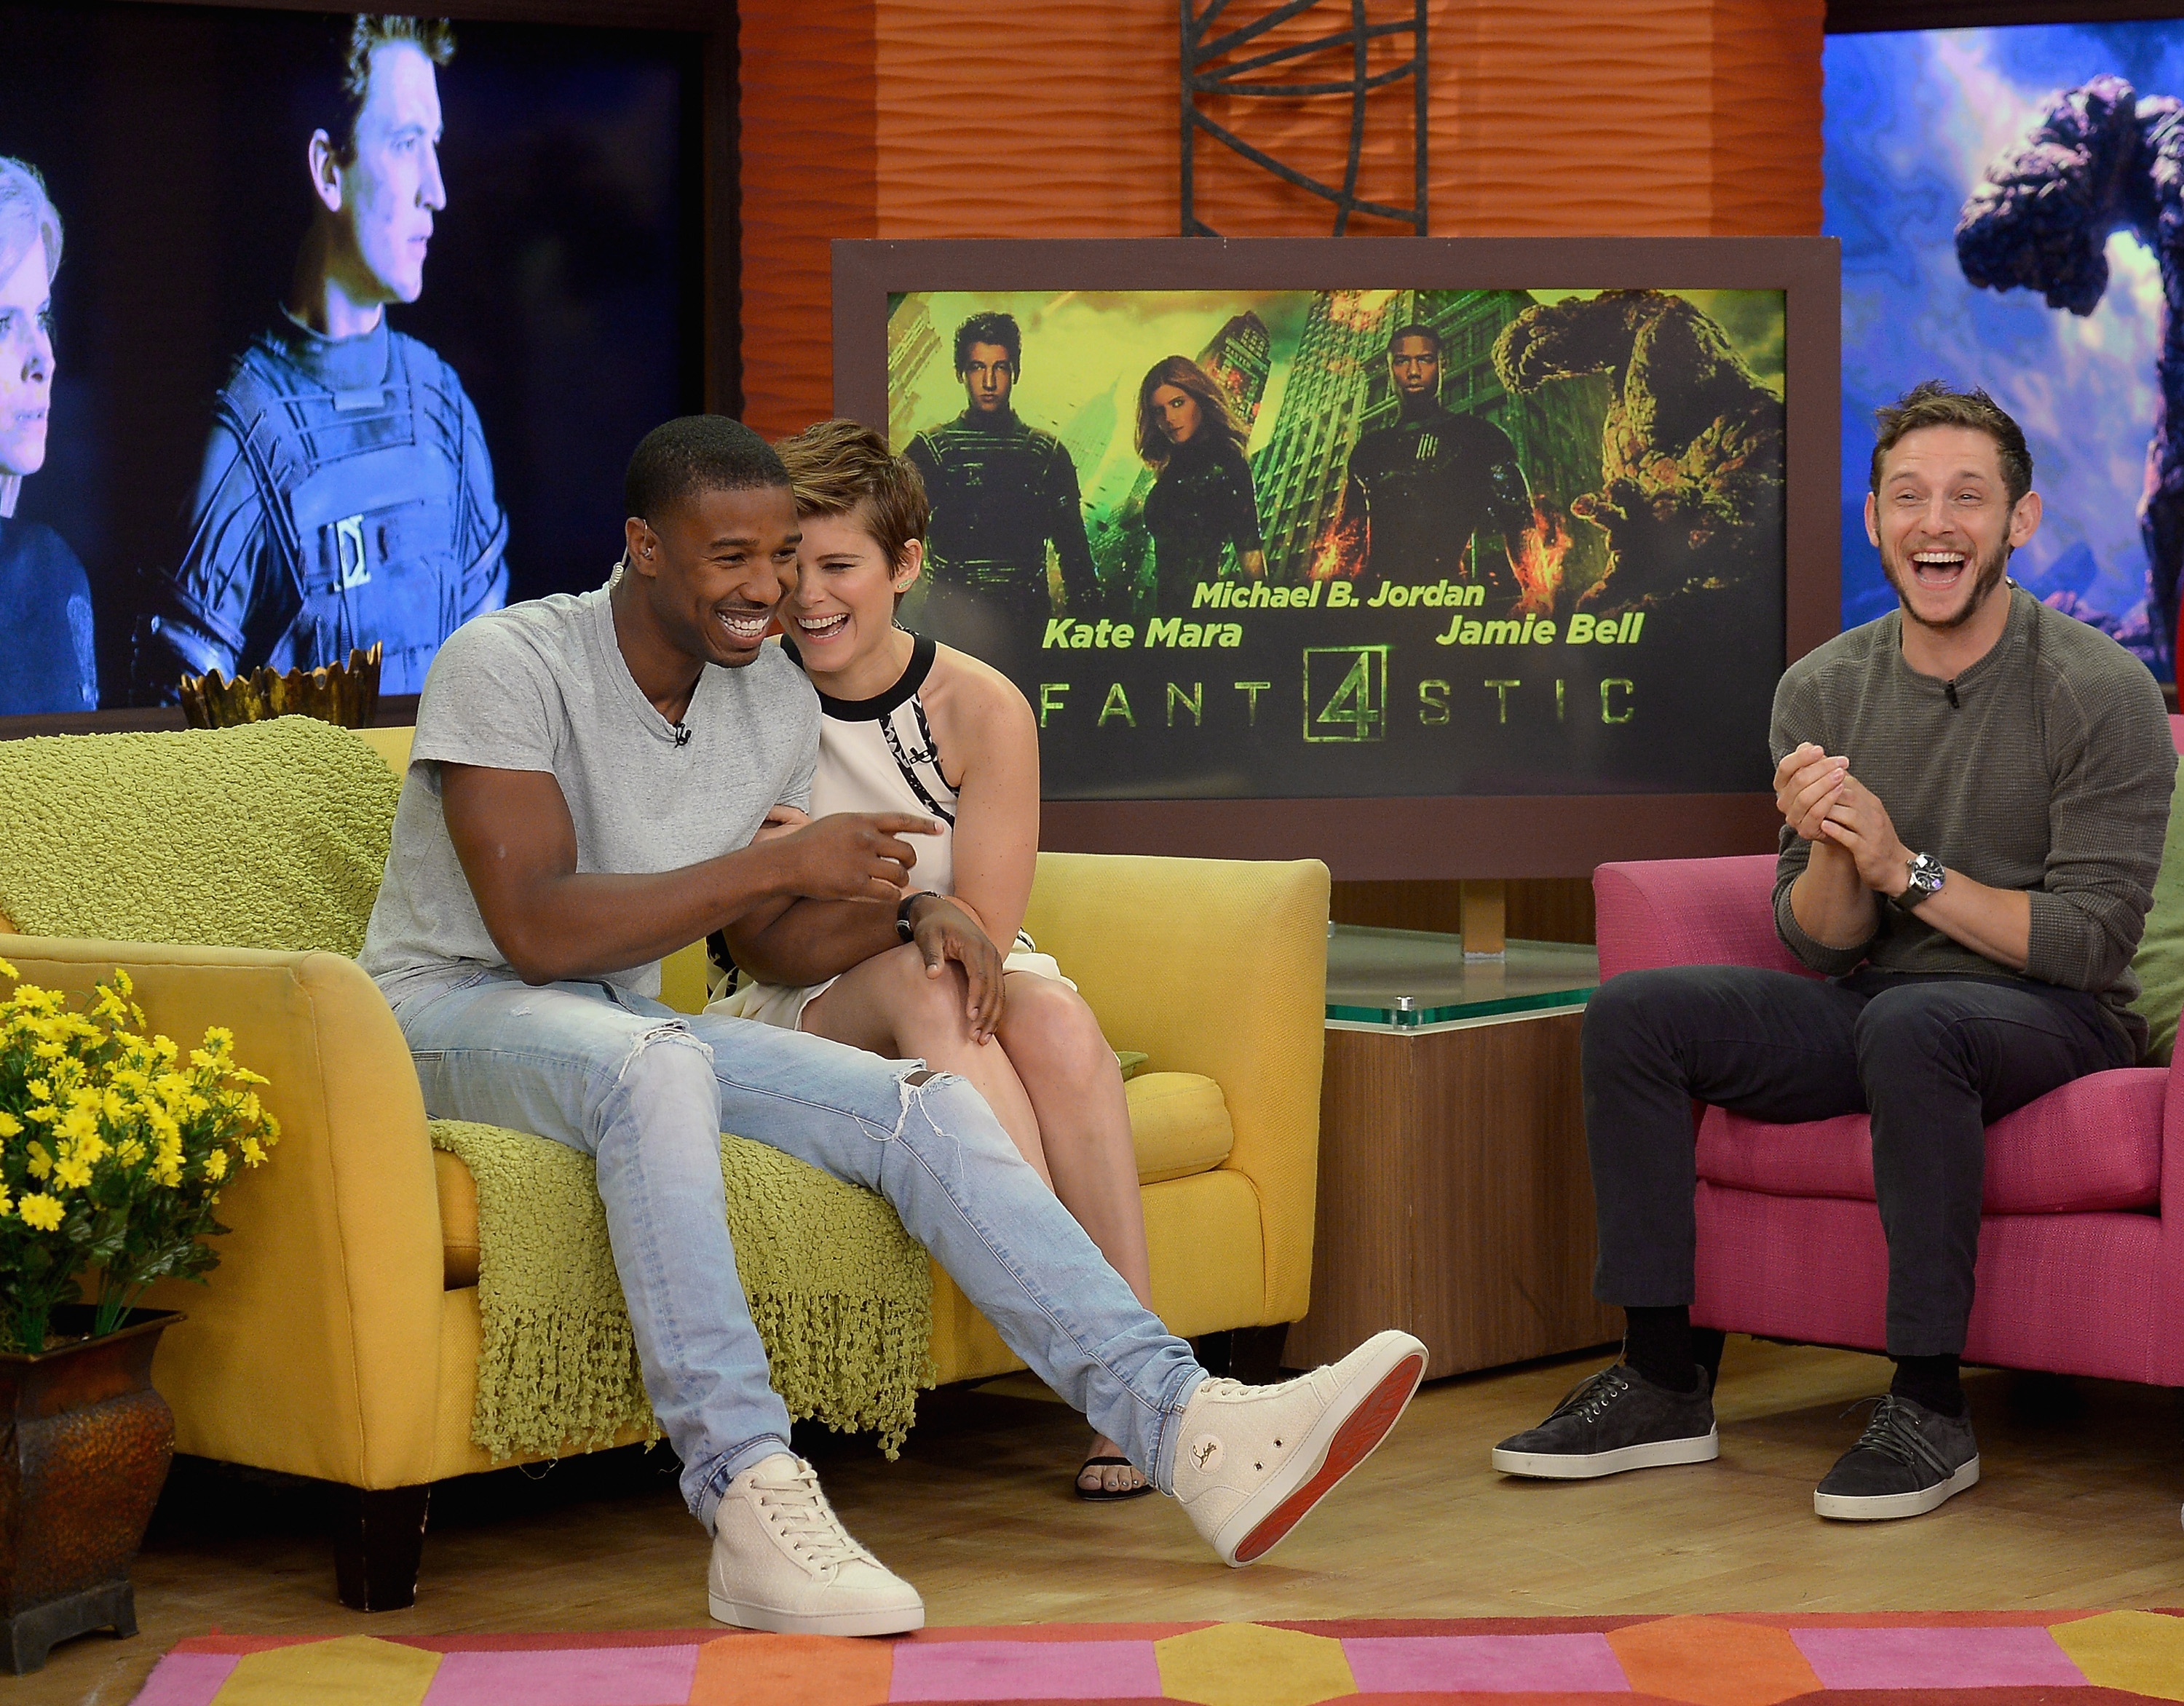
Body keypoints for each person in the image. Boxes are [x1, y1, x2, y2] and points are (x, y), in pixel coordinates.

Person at [358, 412, 1427, 1634]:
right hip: (447, 1009)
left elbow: (766, 930)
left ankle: (1187, 1425)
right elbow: (538, 928)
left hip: (618, 1022)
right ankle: (749, 1492)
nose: (768, 589)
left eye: (783, 555)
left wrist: (913, 904)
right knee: (654, 1064)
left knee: (918, 1106)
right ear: (645, 548)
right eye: (730, 557)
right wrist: (783, 863)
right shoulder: (509, 662)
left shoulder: (766, 697)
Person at [1491, 381, 2174, 1521]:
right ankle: (1663, 1379)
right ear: (1874, 520)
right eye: (1908, 496)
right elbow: (1820, 943)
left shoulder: (2100, 690)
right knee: (1638, 1014)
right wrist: (1837, 853)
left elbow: (2087, 939)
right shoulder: (1821, 687)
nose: (1935, 523)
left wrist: (1907, 868)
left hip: (2060, 1016)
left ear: (2021, 520)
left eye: (1968, 497)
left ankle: (1929, 1406)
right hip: (1881, 999)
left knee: (1916, 1021)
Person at [707, 418, 1159, 1500]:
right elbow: (764, 938)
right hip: (787, 1004)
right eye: (789, 566)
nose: (806, 597)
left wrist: (911, 911)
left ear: (905, 565)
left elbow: (985, 931)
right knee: (931, 979)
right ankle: (1117, 1368)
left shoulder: (981, 705)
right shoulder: (741, 703)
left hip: (957, 967)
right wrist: (912, 910)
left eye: (838, 567)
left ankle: (1135, 1377)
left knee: (1056, 1020)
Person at [134, 14, 506, 702]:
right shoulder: (245, 442)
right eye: (406, 144)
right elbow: (174, 735)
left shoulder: (446, 413)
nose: (436, 190)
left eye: (434, 144)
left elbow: (495, 699)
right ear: (330, 171)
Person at [903, 312, 1100, 664]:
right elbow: (893, 543)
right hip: (950, 627)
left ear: (1016, 372)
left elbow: (1076, 558)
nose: (989, 381)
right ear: (961, 373)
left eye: (1001, 368)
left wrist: (1088, 643)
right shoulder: (930, 451)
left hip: (1026, 627)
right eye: (978, 367)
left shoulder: (1046, 454)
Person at [1315, 322, 1538, 600]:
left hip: (1443, 602)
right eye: (1401, 361)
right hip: (1373, 603)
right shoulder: (1369, 450)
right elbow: (1346, 541)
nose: (1413, 371)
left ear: (1441, 366)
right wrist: (1329, 603)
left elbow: (1520, 524)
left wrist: (1537, 594)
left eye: (1425, 360)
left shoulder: (1480, 437)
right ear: (1390, 370)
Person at [0, 158, 96, 715]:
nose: (44, 358)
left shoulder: (50, 577)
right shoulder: (44, 576)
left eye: (42, 317)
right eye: (2, 324)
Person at [1135, 355, 1265, 615]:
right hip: (1163, 618)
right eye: (1159, 411)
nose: (1169, 418)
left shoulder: (1228, 463)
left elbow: (1249, 549)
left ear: (1200, 400)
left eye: (1177, 403)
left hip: (1199, 617)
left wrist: (1265, 619)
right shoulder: (1171, 467)